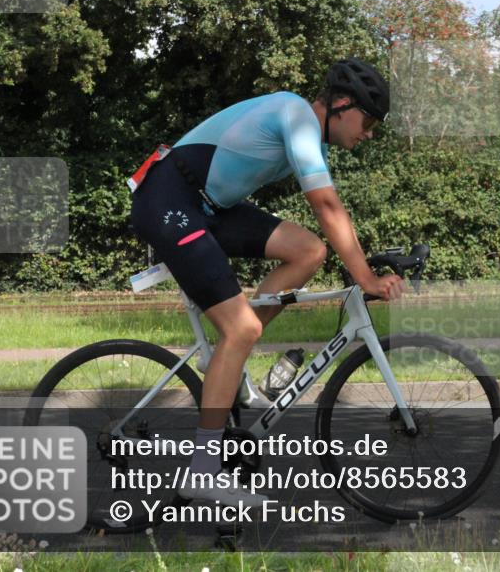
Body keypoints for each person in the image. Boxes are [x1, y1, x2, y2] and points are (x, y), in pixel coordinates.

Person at [128, 58, 405, 506]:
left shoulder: (306, 132)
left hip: (207, 206)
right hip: (169, 200)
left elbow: (329, 217)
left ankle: (228, 361)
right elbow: (327, 207)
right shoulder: (296, 115)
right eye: (369, 120)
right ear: (340, 103)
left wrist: (362, 267)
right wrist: (366, 278)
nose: (369, 133)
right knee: (241, 328)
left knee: (309, 250)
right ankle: (202, 473)